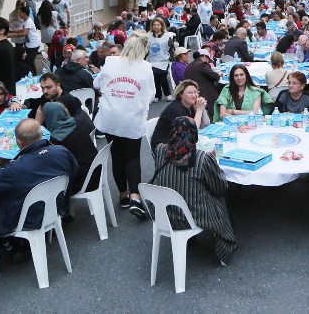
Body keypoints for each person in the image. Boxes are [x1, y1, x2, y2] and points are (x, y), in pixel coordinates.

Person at [149, 117, 236, 265]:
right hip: (194, 215)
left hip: (162, 213)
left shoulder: (159, 150)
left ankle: (189, 240)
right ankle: (224, 247)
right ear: (195, 134)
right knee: (219, 198)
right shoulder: (202, 158)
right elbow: (218, 187)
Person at [0, 120, 79, 239]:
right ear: (41, 134)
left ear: (19, 142)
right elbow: (74, 170)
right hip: (57, 208)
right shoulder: (61, 151)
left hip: (25, 219)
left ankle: (10, 244)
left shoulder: (16, 168)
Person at [93, 33, 155, 218]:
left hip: (111, 116)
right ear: (144, 49)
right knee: (132, 157)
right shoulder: (146, 67)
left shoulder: (111, 62)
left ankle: (123, 195)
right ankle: (135, 196)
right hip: (131, 118)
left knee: (117, 156)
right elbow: (150, 95)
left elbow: (97, 83)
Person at [42, 102, 98, 194]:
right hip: (95, 171)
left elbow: (54, 163)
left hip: (84, 181)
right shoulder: (75, 123)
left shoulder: (58, 138)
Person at [152, 81, 208, 152]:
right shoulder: (175, 109)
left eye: (196, 92)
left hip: (180, 141)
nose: (194, 95)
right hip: (165, 148)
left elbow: (205, 124)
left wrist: (203, 108)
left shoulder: (190, 106)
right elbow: (192, 131)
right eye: (190, 93)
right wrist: (199, 110)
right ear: (181, 94)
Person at [184, 50, 220, 118]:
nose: (207, 61)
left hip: (193, 92)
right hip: (204, 93)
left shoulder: (190, 65)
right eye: (207, 59)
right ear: (204, 56)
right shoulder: (202, 64)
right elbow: (215, 77)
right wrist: (218, 74)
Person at [146, 17, 174, 103]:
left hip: (163, 60)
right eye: (154, 25)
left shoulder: (167, 37)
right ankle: (157, 95)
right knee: (154, 77)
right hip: (152, 60)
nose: (156, 26)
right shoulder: (148, 36)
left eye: (158, 25)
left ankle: (167, 94)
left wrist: (172, 59)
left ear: (161, 26)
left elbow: (171, 48)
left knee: (162, 76)